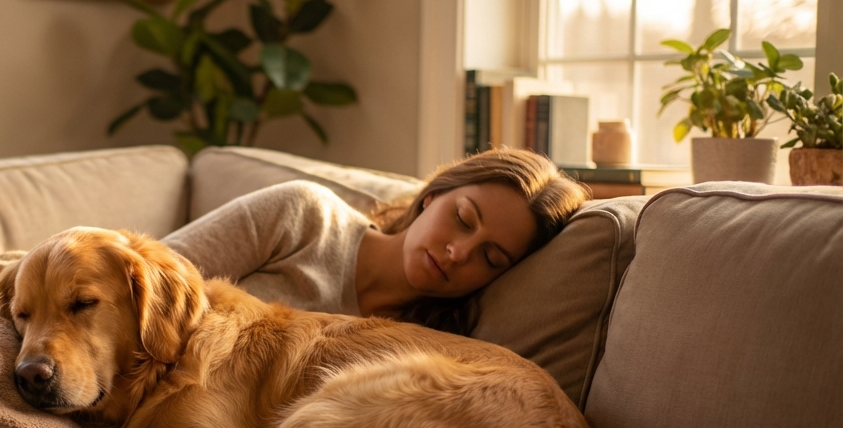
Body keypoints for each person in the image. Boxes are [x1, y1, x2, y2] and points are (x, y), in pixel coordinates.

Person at [161, 147, 587, 335]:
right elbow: (143, 280)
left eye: (490, 258)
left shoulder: (425, 343)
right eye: (462, 219)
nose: (459, 252)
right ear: (433, 195)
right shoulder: (304, 214)